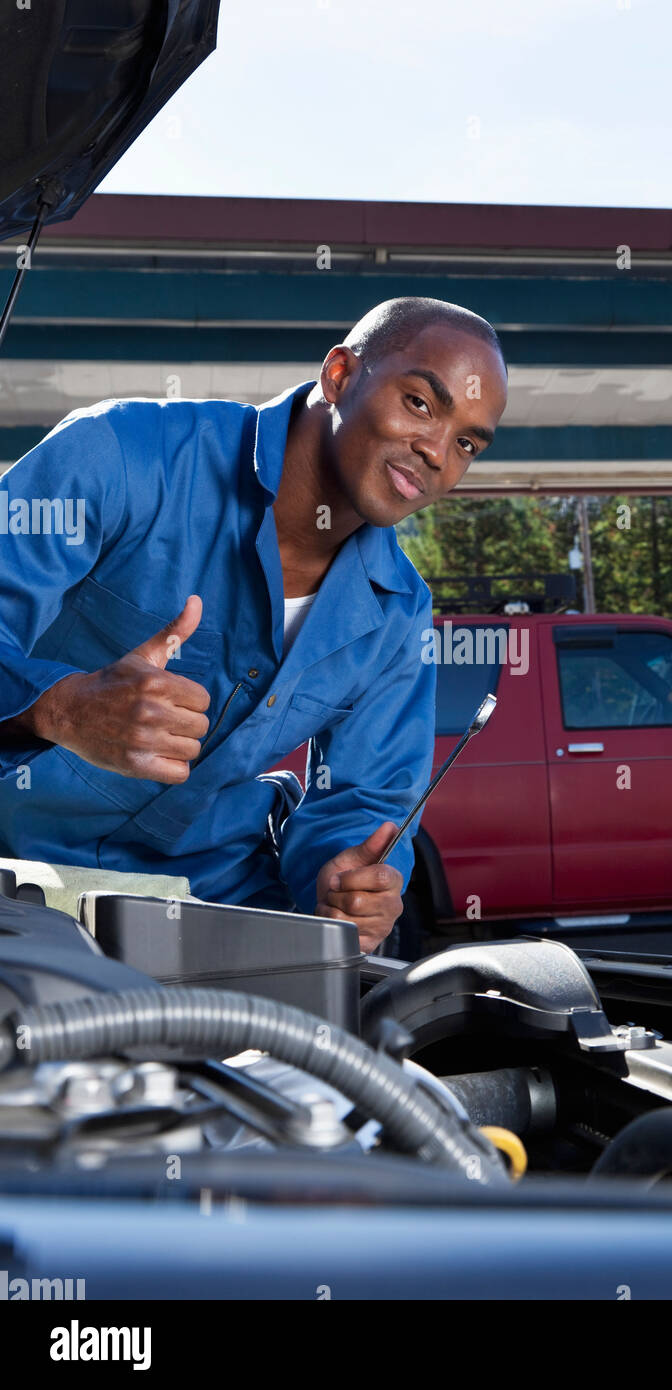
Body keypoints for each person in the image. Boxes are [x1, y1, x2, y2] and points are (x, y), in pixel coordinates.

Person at [0, 296, 509, 951]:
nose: (437, 452)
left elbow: (364, 804)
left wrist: (345, 882)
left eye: (466, 443)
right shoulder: (120, 455)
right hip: (17, 878)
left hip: (212, 902)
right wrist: (62, 707)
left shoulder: (397, 613)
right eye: (419, 403)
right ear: (340, 375)